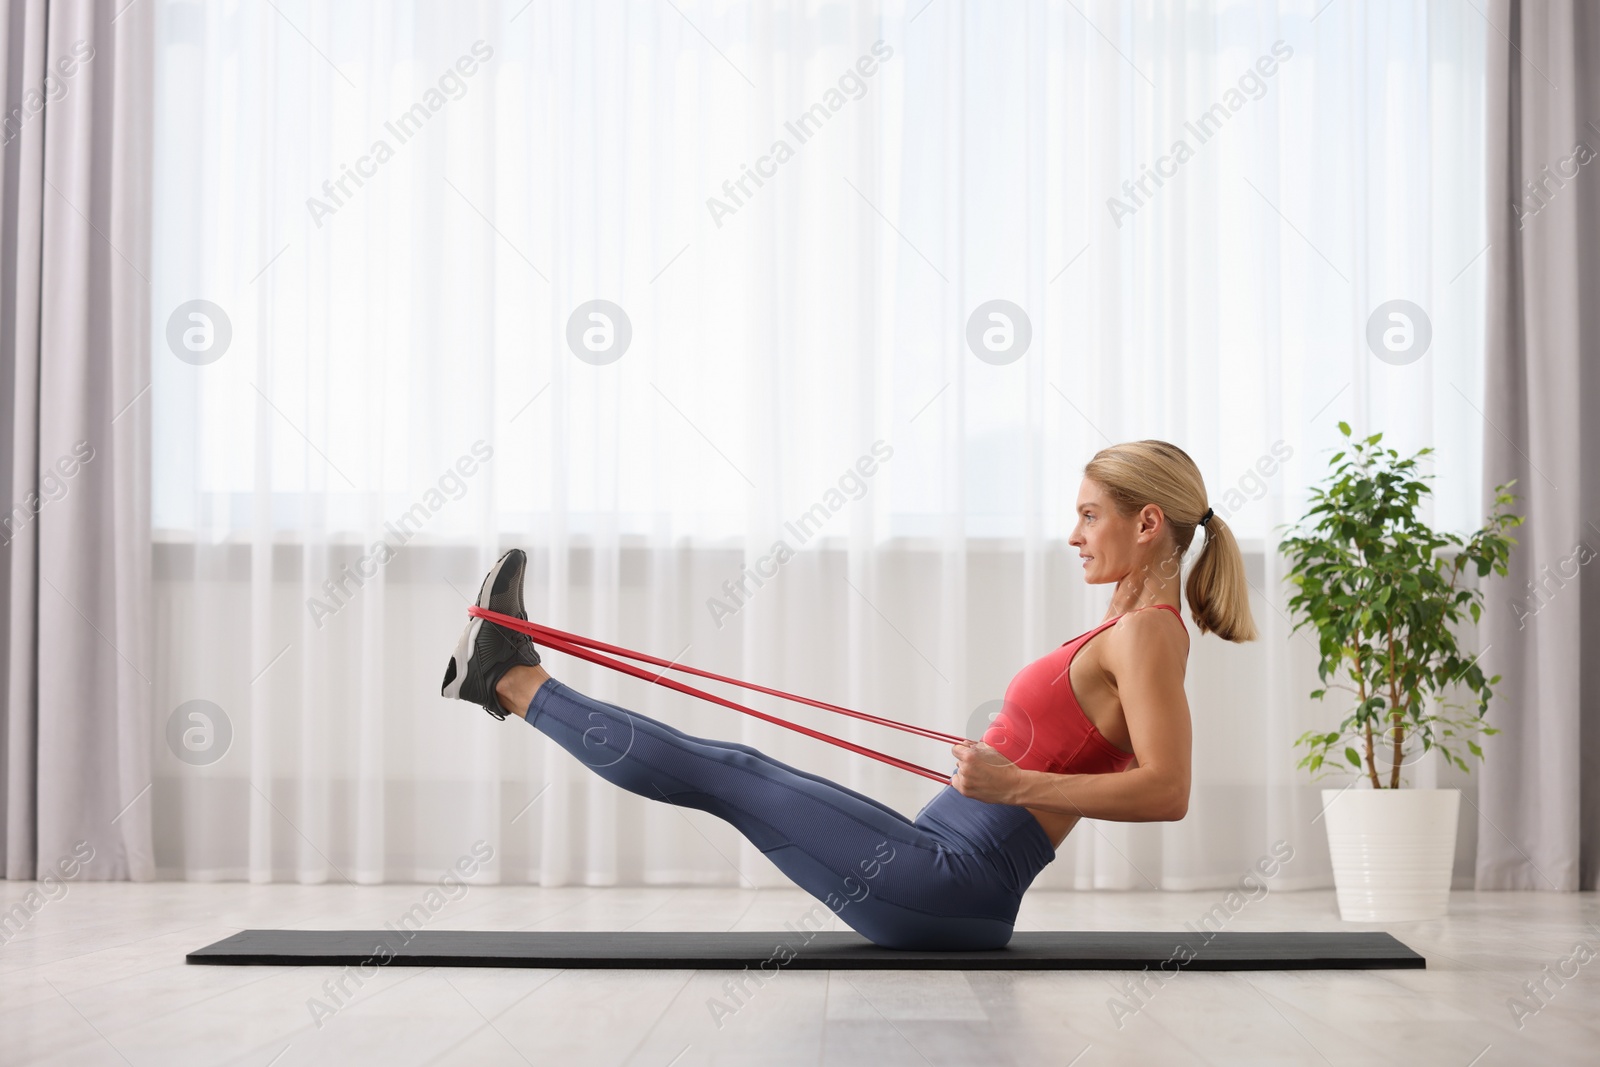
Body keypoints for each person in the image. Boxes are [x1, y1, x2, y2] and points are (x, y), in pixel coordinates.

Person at [440, 440, 1257, 950]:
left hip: (950, 885)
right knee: (737, 765)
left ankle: (510, 677)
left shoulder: (1150, 630)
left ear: (1148, 523)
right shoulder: (1120, 630)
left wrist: (1015, 785)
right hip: (933, 864)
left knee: (730, 772)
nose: (1074, 534)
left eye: (1089, 515)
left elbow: (1169, 790)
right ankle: (510, 675)